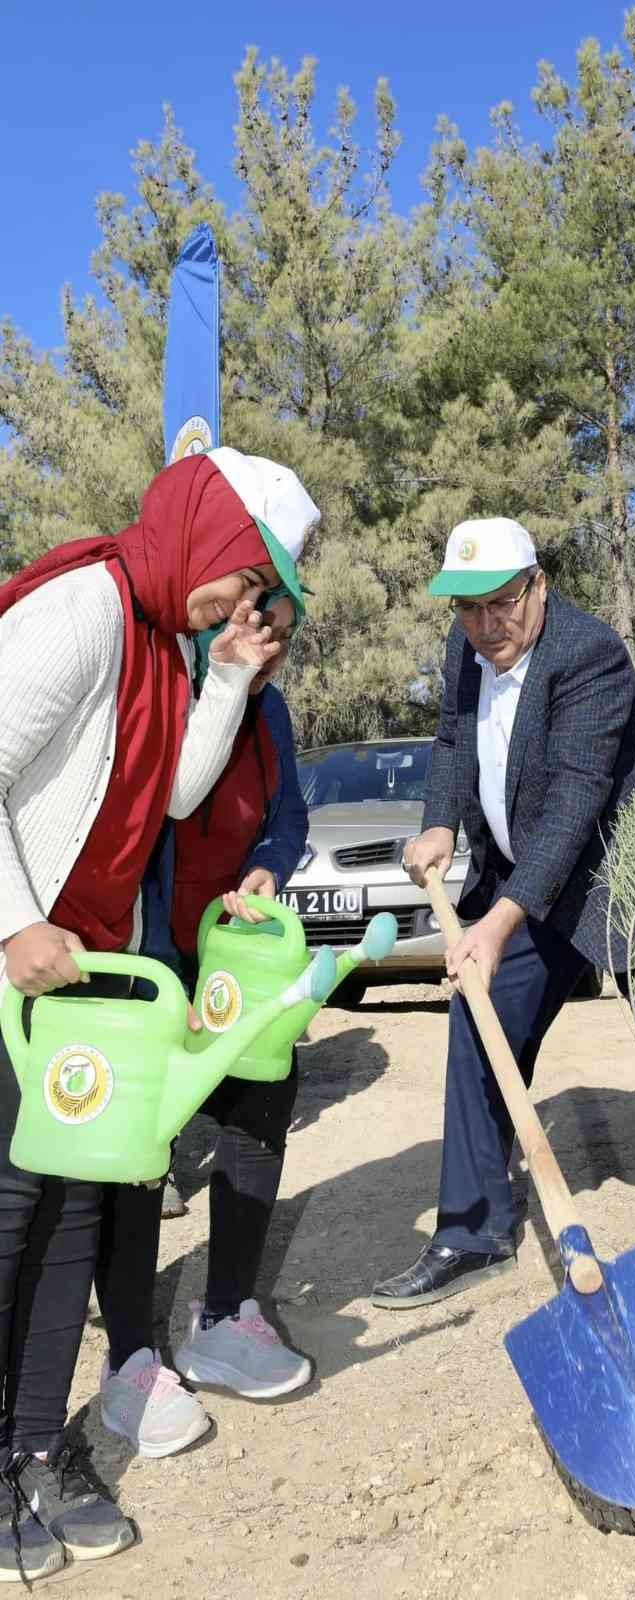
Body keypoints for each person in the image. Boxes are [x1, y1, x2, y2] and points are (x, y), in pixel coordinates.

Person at [0, 447, 317, 1580]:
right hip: (18, 974)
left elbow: (175, 795)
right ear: (208, 536)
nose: (247, 604)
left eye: (259, 594)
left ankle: (39, 1448)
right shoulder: (85, 609)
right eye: (244, 578)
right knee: (14, 1218)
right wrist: (11, 920)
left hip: (85, 979)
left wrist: (225, 673)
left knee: (78, 1212)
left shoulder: (163, 643)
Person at [371, 517, 635, 1333]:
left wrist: (494, 924)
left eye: (502, 603)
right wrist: (442, 822)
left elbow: (573, 805)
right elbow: (453, 742)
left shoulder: (589, 657)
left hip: (625, 880)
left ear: (539, 585)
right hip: (527, 881)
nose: (487, 625)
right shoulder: (468, 652)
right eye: (469, 609)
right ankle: (475, 1232)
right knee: (480, 1029)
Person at [93, 594, 313, 1458]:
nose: (271, 653)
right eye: (258, 634)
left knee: (264, 1102)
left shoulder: (270, 709)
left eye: (284, 641)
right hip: (156, 956)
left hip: (239, 959)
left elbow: (288, 815)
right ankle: (129, 1361)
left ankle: (222, 1317)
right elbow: (147, 818)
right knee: (143, 1148)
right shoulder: (165, 696)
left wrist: (264, 871)